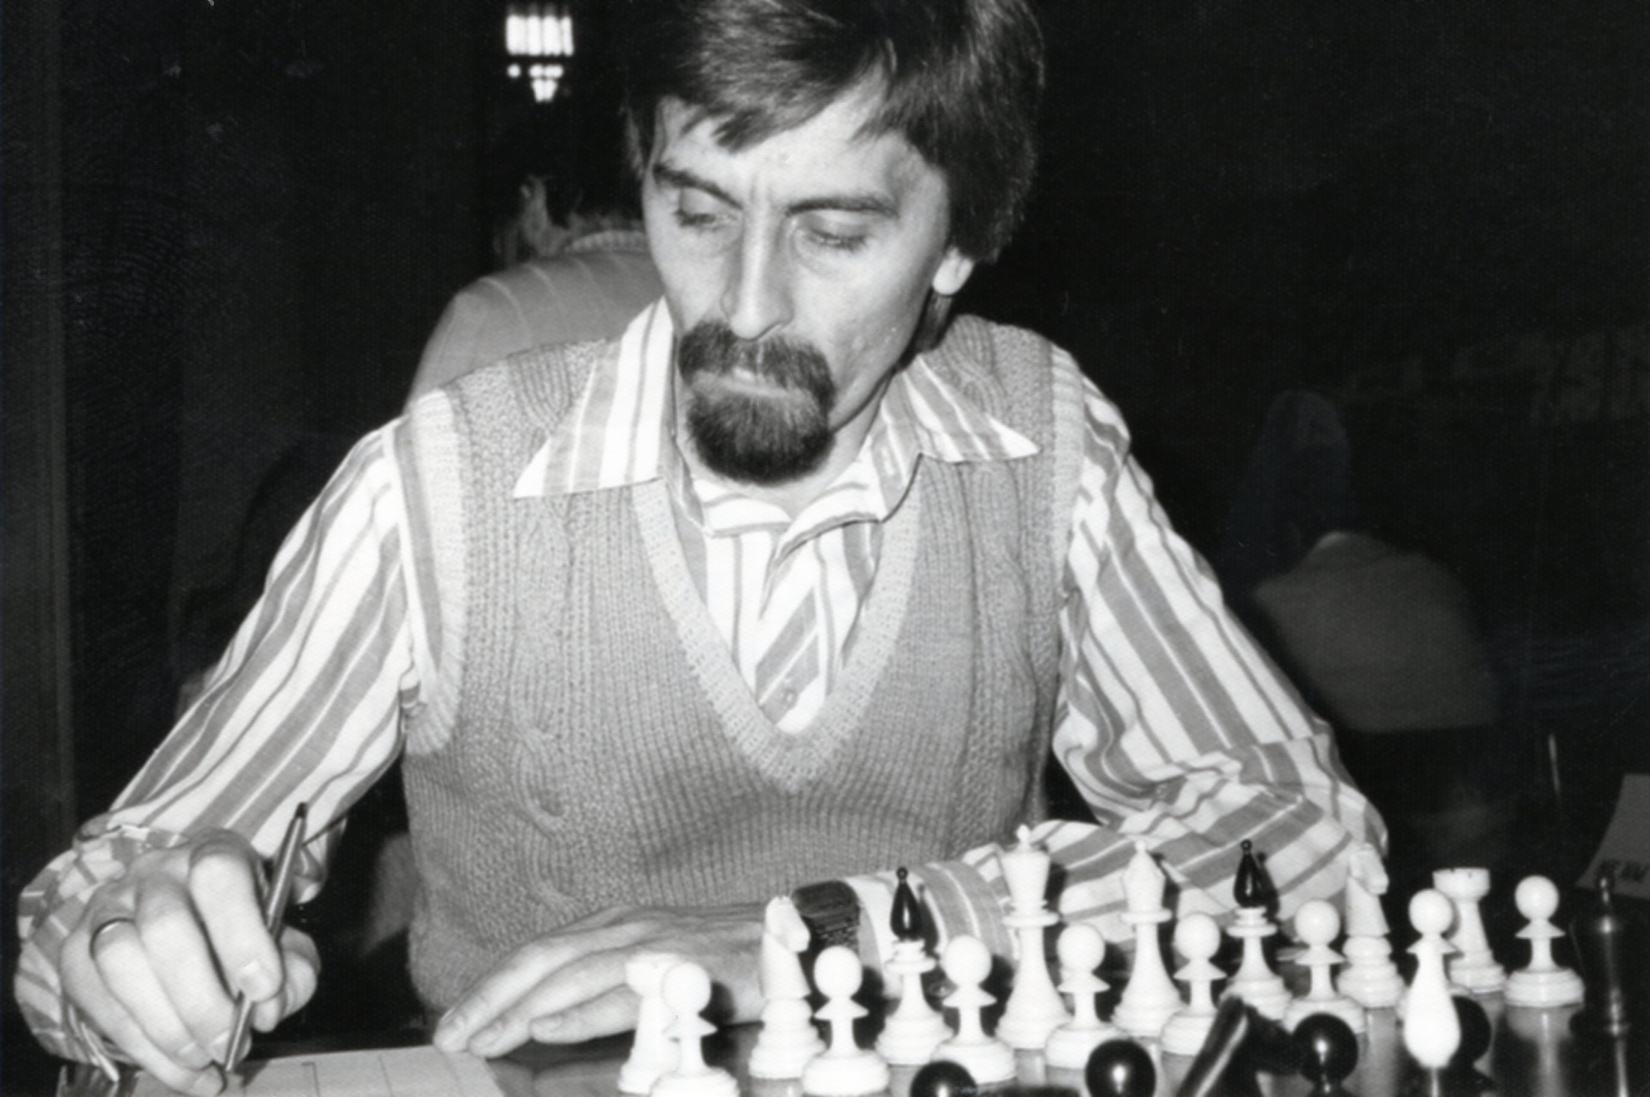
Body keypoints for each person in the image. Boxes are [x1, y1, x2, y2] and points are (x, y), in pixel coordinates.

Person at [15, 2, 1384, 1094]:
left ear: (959, 243)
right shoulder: (440, 486)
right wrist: (125, 941)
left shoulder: (1046, 448)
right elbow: (104, 882)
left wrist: (813, 937)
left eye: (832, 232)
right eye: (698, 211)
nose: (743, 305)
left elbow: (1303, 832)